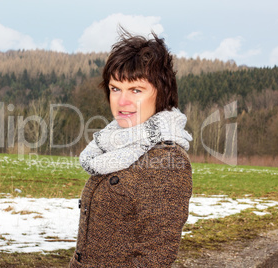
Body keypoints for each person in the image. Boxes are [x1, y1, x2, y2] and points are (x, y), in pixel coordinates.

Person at [70, 29, 193, 267]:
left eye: (136, 90)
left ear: (162, 92)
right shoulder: (114, 142)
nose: (122, 101)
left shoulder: (167, 161)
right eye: (115, 88)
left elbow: (154, 257)